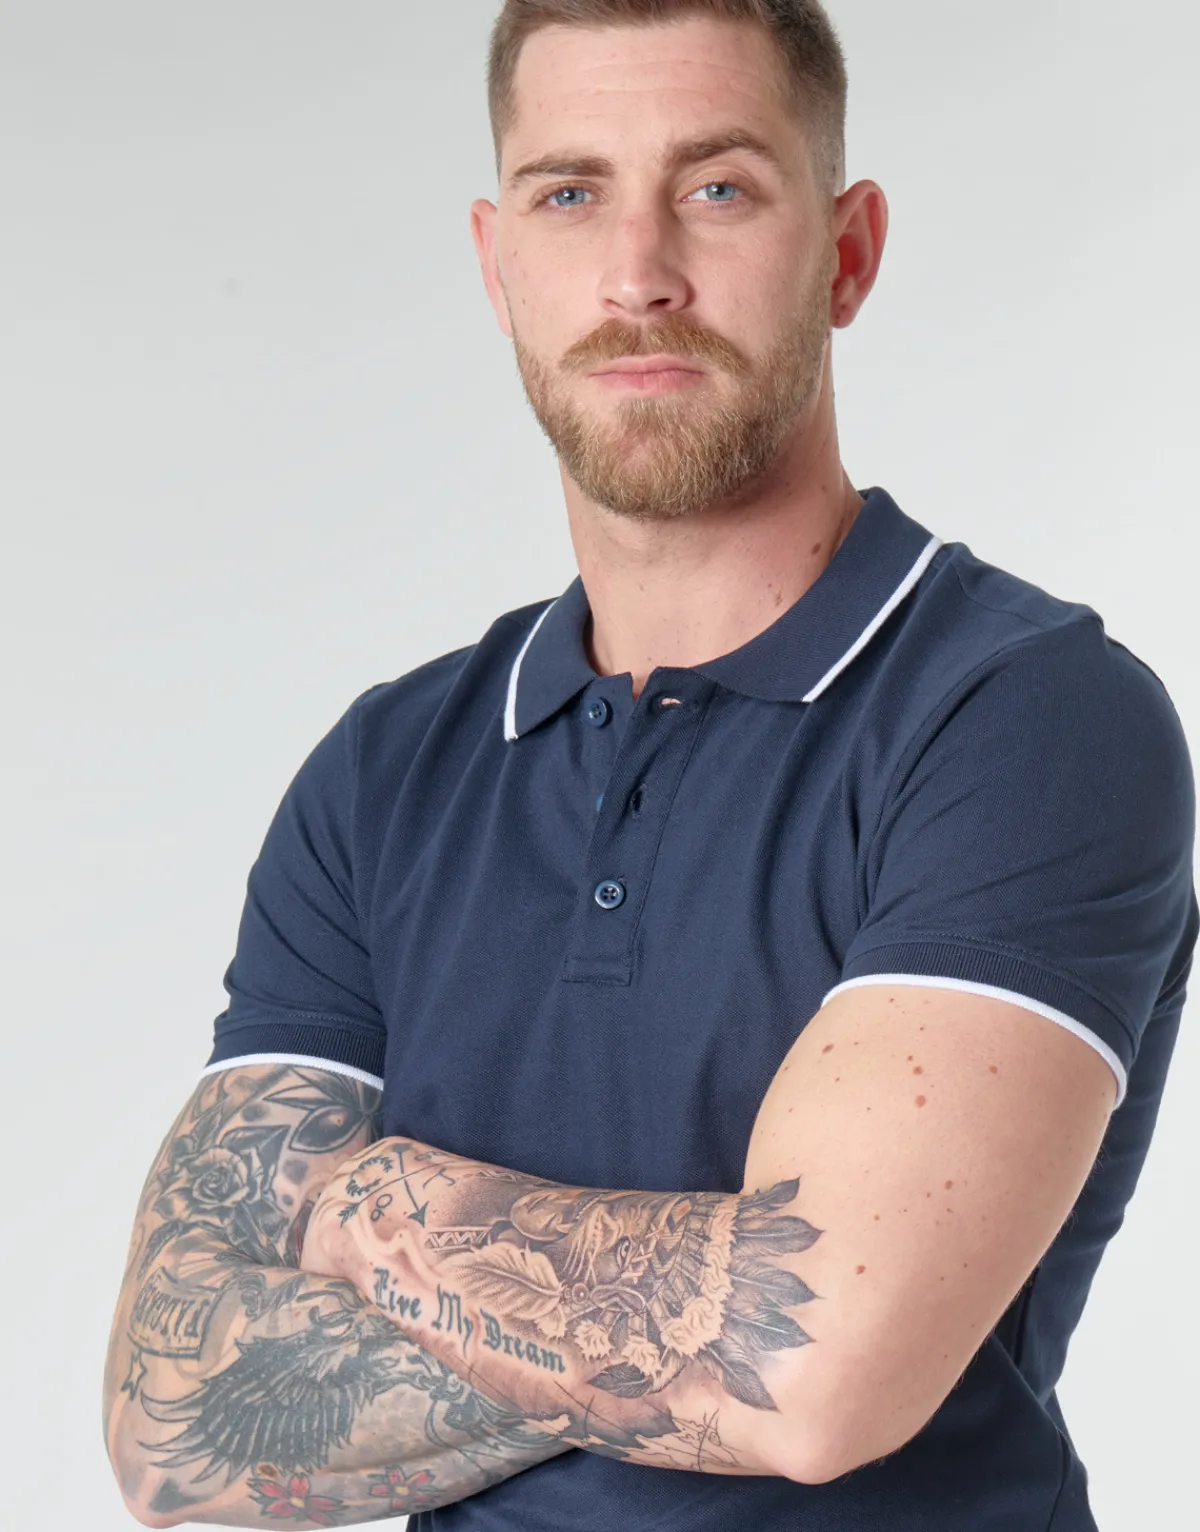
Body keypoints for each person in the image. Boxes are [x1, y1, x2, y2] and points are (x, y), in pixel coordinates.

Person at [103, 2, 1197, 1528]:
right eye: (570, 194)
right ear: (498, 264)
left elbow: (815, 1373)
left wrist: (365, 1211)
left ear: (848, 252)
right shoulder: (384, 772)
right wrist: (688, 1325)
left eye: (719, 188)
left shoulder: (1024, 716)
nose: (638, 275)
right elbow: (179, 1426)